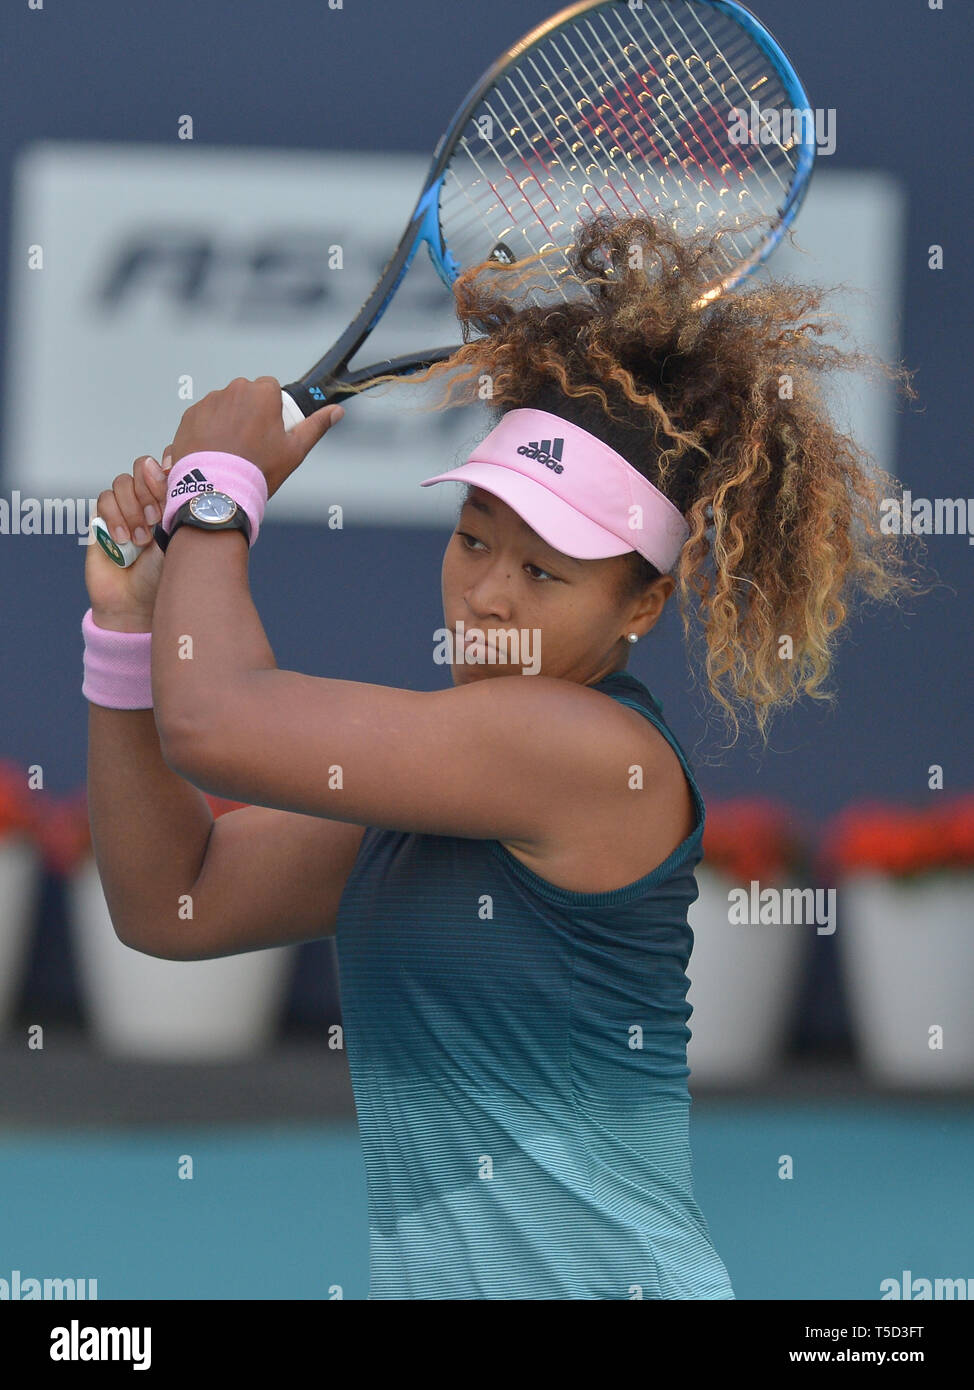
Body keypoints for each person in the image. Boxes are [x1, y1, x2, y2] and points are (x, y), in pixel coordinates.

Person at [82, 213, 921, 1299]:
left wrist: (214, 488)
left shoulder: (580, 751)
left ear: (642, 604)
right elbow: (173, 901)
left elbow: (217, 725)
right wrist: (127, 632)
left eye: (543, 571)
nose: (486, 592)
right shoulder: (440, 782)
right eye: (474, 536)